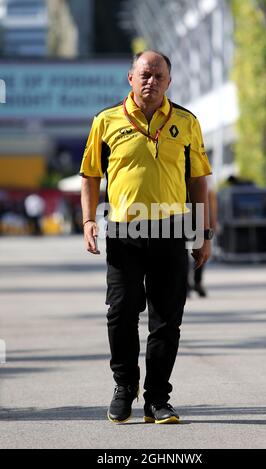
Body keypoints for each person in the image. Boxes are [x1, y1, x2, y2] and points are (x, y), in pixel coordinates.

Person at [80, 50, 213, 424]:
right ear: (130, 78)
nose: (150, 81)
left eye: (158, 76)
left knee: (167, 319)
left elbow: (198, 180)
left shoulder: (186, 122)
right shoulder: (105, 121)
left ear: (169, 82)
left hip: (171, 229)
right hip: (124, 231)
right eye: (144, 74)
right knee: (121, 313)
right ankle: (124, 388)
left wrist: (203, 232)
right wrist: (89, 221)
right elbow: (90, 176)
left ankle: (157, 399)